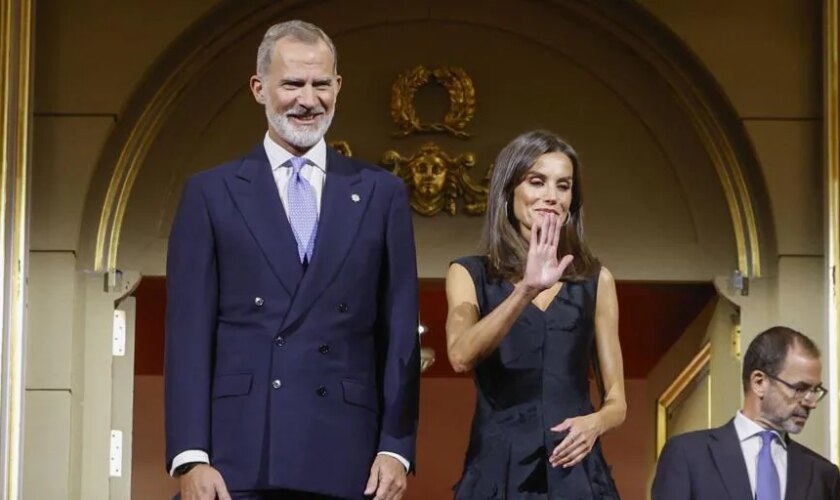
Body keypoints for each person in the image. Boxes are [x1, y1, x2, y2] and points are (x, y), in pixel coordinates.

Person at [164, 20, 420, 500]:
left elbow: (399, 330)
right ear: (260, 89)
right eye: (293, 84)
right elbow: (188, 333)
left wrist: (396, 447)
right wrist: (191, 456)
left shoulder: (381, 193)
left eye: (321, 84)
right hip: (238, 455)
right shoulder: (211, 193)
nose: (308, 99)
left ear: (338, 87)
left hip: (351, 454)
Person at [445, 130, 625, 498]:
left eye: (563, 186)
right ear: (509, 190)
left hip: (573, 469)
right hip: (498, 469)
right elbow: (460, 355)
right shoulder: (469, 274)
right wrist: (526, 289)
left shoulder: (597, 281)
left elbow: (617, 401)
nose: (551, 197)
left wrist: (595, 423)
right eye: (537, 181)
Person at [652, 326, 840, 500]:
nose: (812, 403)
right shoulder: (687, 455)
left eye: (815, 391)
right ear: (759, 382)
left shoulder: (823, 474)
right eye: (800, 388)